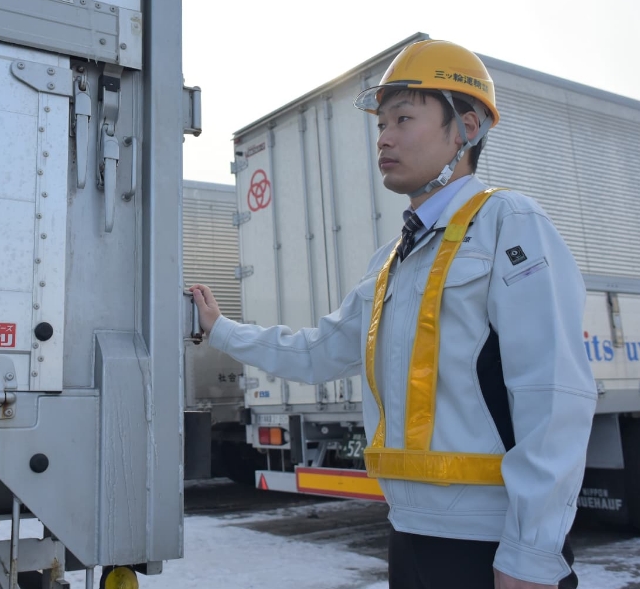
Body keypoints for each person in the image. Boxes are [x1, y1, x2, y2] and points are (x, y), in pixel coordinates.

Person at [191, 40, 597, 589]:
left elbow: (553, 395)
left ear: (467, 128)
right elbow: (319, 352)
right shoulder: (392, 260)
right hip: (409, 536)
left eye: (404, 118)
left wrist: (531, 555)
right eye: (381, 123)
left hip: (493, 545)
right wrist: (222, 329)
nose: (383, 137)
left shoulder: (510, 223)